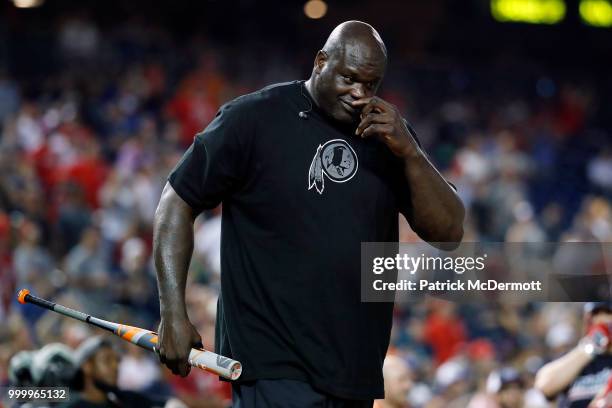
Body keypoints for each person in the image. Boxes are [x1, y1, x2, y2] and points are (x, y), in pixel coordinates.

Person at [154, 20, 465, 407]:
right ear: (321, 62)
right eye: (349, 78)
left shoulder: (389, 137)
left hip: (354, 372)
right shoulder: (254, 118)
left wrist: (411, 153)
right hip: (272, 363)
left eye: (371, 85)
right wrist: (173, 312)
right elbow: (176, 200)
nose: (359, 94)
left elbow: (449, 232)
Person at [62, 336, 182, 408]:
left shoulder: (124, 398)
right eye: (107, 360)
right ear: (87, 366)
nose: (116, 366)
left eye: (117, 360)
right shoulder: (71, 404)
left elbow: (167, 403)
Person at [535, 302, 612, 407]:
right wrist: (591, 347)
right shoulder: (575, 356)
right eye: (595, 314)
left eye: (608, 313)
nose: (601, 321)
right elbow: (545, 386)